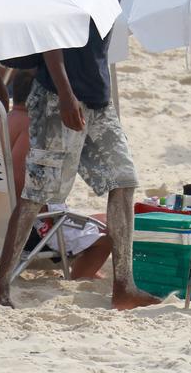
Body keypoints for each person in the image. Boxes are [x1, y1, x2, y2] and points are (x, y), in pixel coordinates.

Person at [0, 0, 173, 310]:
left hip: (97, 100)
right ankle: (0, 287)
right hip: (60, 99)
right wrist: (68, 97)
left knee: (123, 180)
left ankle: (122, 286)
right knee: (38, 192)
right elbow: (53, 31)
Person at [9, 70, 113, 280]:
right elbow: (20, 181)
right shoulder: (32, 128)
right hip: (32, 227)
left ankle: (89, 271)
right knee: (113, 234)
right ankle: (79, 279)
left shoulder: (3, 121)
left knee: (105, 219)